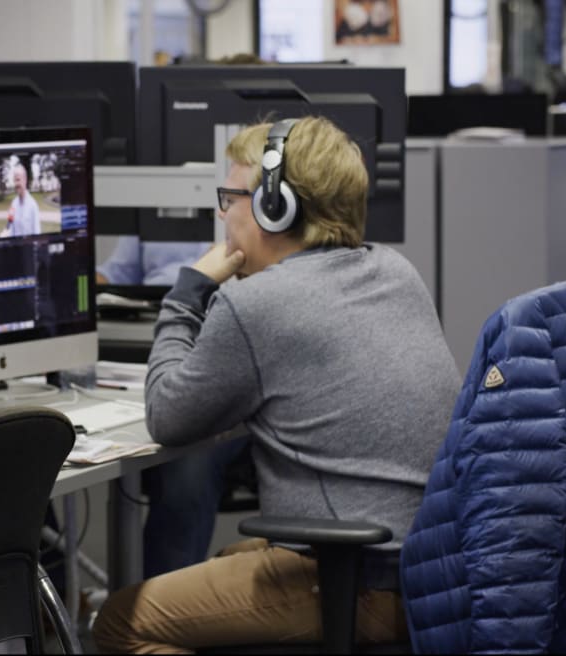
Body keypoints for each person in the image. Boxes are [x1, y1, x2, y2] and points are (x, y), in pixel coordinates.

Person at [91, 117, 459, 652]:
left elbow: (167, 415)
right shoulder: (395, 270)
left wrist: (187, 293)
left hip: (354, 580)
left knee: (121, 621)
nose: (222, 214)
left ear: (273, 208)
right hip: (431, 575)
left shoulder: (256, 305)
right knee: (223, 564)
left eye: (230, 197)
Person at [0, 163, 41, 238]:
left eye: (18, 180)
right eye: (14, 180)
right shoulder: (13, 204)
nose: (16, 184)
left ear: (25, 180)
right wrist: (4, 234)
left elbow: (37, 234)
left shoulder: (33, 206)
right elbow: (10, 224)